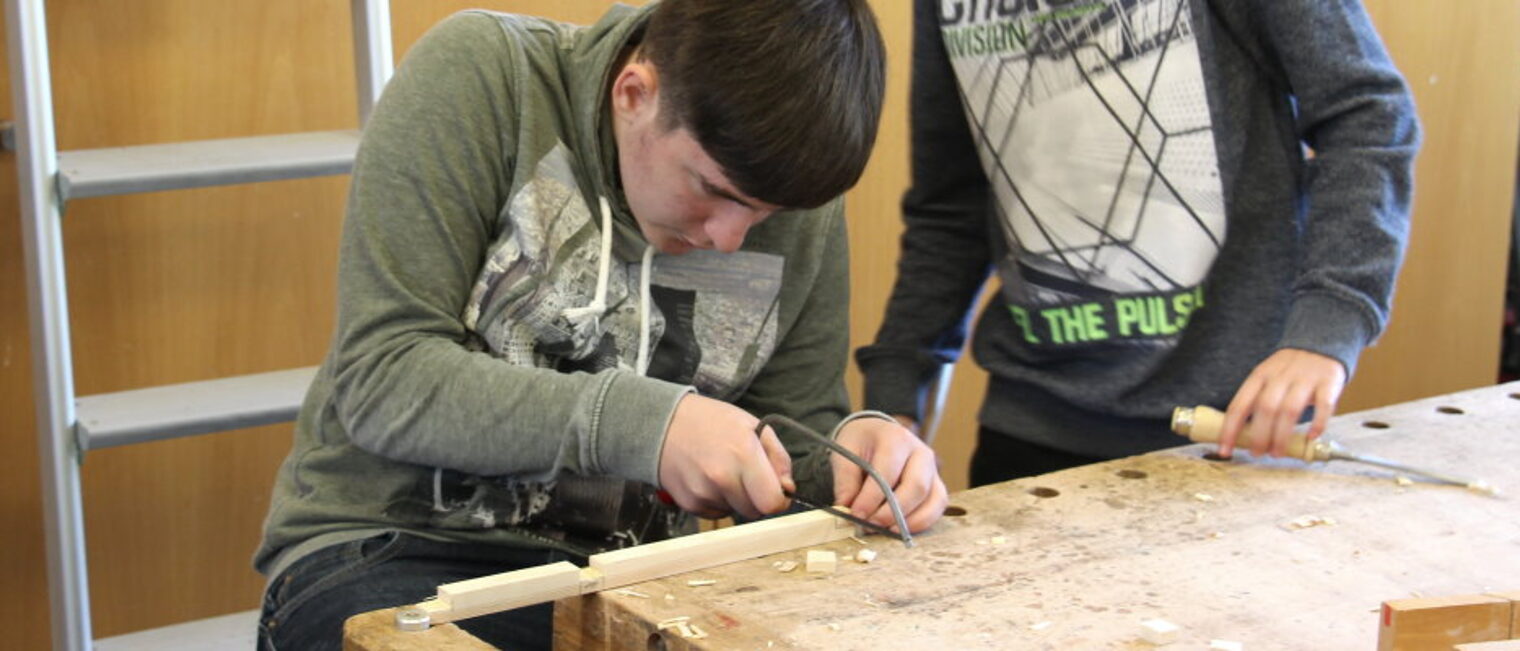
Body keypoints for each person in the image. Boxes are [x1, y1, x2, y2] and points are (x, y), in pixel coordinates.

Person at [255, 1, 947, 648]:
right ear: (635, 93)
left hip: (636, 577)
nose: (732, 238)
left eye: (763, 215)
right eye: (712, 190)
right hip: (394, 548)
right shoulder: (484, 79)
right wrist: (650, 425)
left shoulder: (788, 186)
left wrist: (853, 460)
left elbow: (790, 447)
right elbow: (386, 381)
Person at [857, 0, 1420, 486]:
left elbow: (1368, 117)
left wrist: (1329, 323)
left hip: (1236, 431)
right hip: (1032, 428)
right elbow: (952, 202)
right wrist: (897, 388)